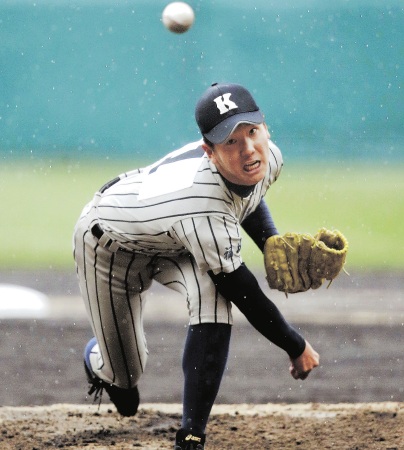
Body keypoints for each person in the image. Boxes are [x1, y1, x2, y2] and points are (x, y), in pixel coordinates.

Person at [73, 82, 320, 449]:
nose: (248, 149)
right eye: (231, 142)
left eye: (251, 131)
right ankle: (100, 362)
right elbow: (242, 289)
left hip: (180, 238)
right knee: (125, 376)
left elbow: (247, 200)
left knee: (211, 295)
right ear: (210, 151)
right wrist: (295, 345)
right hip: (111, 247)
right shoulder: (202, 203)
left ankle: (191, 435)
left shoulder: (269, 158)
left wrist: (270, 241)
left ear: (265, 127)